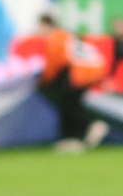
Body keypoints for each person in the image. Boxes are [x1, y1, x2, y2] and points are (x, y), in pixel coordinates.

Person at [36, 13, 109, 153]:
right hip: (90, 71)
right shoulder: (67, 35)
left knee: (69, 106)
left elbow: (56, 62)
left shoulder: (56, 37)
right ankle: (78, 135)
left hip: (79, 73)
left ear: (45, 25)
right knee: (72, 104)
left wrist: (45, 79)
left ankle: (81, 132)